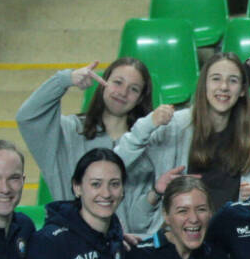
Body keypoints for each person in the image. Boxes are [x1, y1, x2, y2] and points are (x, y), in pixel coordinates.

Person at [115, 51, 250, 236]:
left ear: (243, 90)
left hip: (233, 238)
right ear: (204, 85)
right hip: (178, 239)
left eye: (233, 81)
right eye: (216, 79)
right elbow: (117, 164)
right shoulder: (174, 127)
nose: (223, 87)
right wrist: (148, 124)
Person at [17, 58, 153, 211]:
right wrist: (64, 80)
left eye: (134, 89)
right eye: (117, 82)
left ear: (141, 98)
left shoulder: (149, 141)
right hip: (72, 225)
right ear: (103, 83)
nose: (123, 92)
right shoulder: (69, 131)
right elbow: (27, 117)